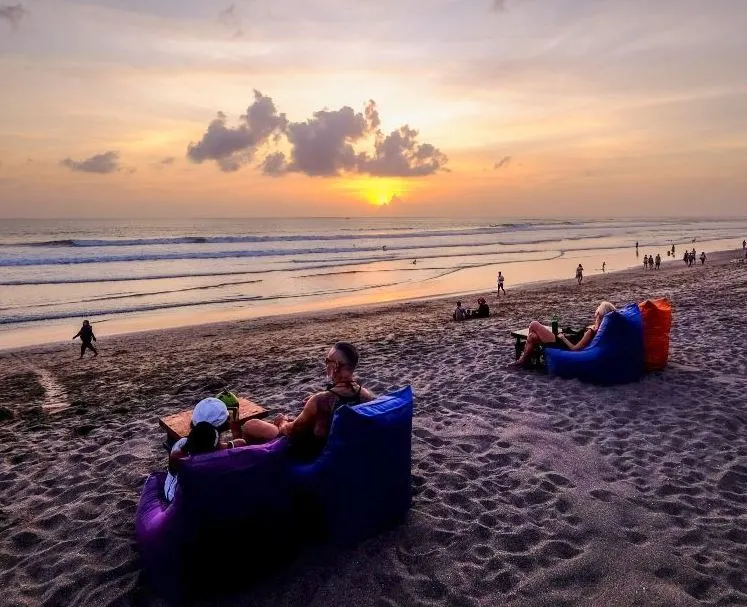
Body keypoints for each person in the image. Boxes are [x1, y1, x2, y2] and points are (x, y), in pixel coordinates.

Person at [242, 342, 374, 460]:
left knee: (251, 425)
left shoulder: (319, 401)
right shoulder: (366, 395)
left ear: (336, 366)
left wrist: (282, 421)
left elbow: (290, 431)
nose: (326, 365)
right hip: (345, 449)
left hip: (313, 454)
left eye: (327, 361)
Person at [164, 397, 246, 502]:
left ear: (193, 423)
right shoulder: (232, 448)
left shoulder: (180, 449)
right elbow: (240, 447)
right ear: (226, 424)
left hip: (175, 500)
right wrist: (236, 431)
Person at [512, 301, 617, 367]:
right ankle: (525, 360)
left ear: (599, 314)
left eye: (598, 309)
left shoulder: (591, 332)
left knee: (534, 324)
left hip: (561, 344)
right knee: (532, 337)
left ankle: (523, 359)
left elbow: (574, 348)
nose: (596, 310)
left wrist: (563, 337)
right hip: (563, 340)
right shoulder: (598, 330)